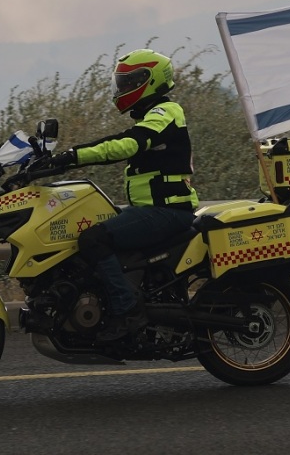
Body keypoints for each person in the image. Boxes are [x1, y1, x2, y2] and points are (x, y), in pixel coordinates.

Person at [47, 48, 199, 341]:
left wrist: (71, 156)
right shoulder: (151, 116)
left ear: (151, 80)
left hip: (167, 211)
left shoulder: (166, 112)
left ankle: (128, 312)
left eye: (130, 82)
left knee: (93, 238)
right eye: (122, 82)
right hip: (152, 210)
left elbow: (128, 144)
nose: (123, 88)